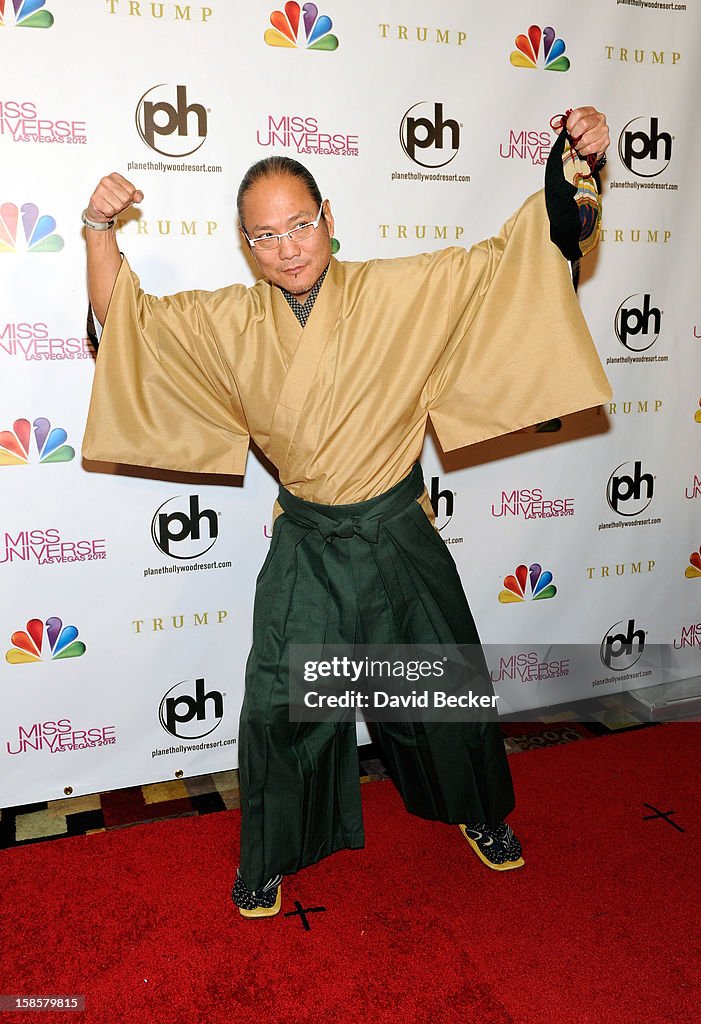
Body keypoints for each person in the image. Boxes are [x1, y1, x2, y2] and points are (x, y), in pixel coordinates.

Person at [82, 107, 611, 919]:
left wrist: (577, 165)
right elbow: (131, 327)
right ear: (244, 245)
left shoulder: (403, 290)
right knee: (284, 702)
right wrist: (95, 229)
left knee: (436, 687)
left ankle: (479, 812)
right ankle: (271, 852)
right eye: (266, 235)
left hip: (397, 530)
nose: (288, 246)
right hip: (310, 540)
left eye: (301, 223)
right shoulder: (227, 321)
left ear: (330, 218)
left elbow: (511, 263)